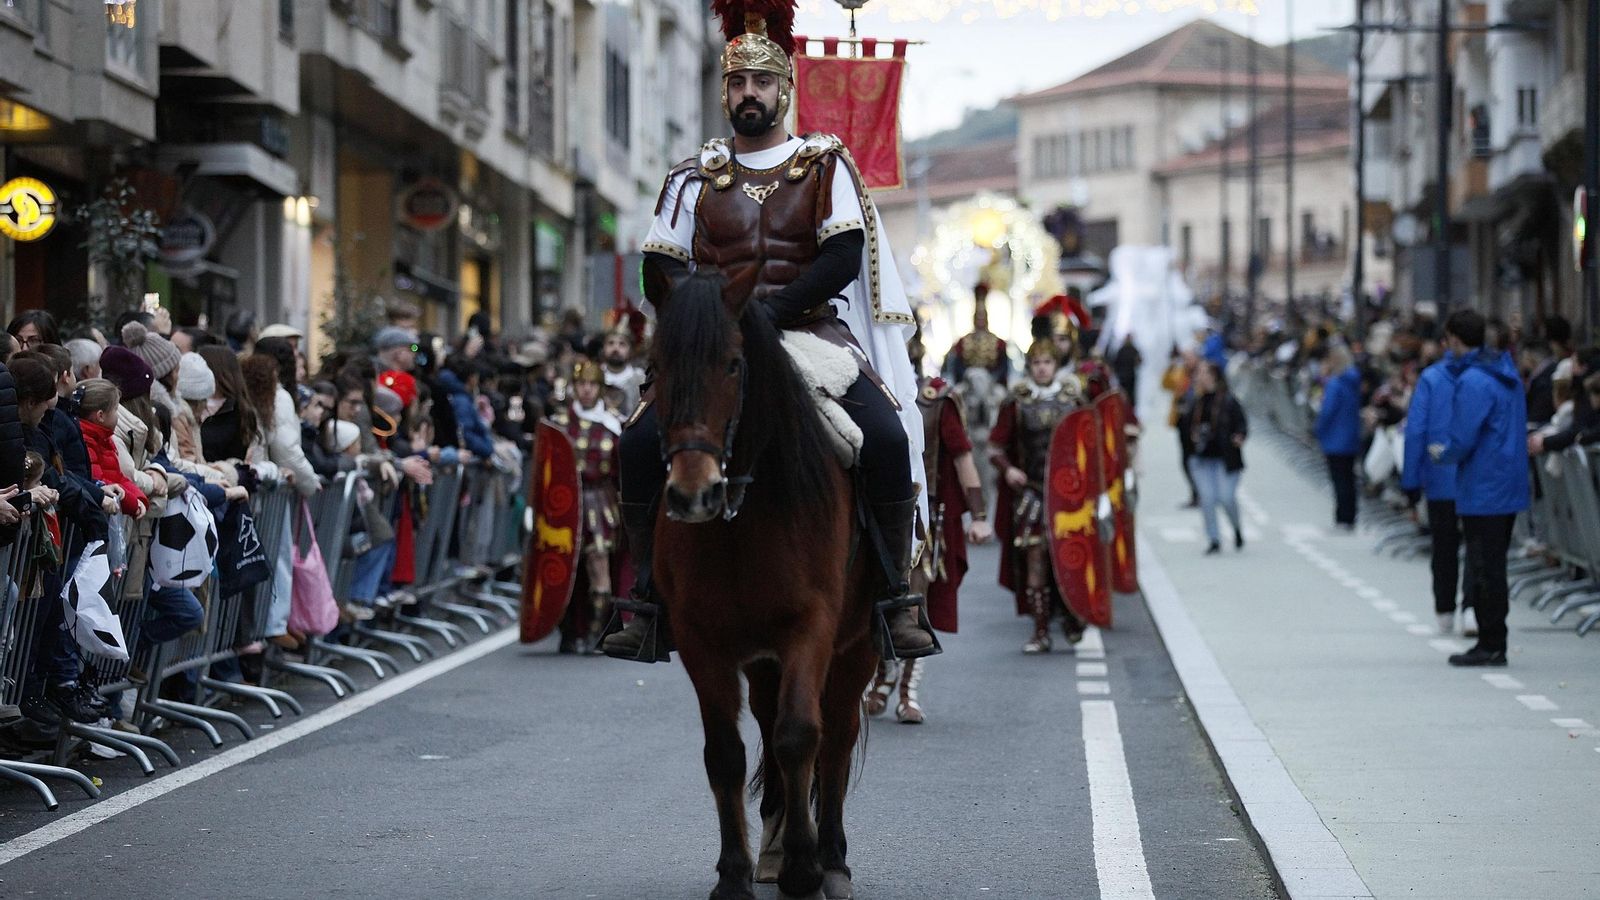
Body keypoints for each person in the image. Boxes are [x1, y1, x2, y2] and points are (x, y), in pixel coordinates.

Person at [604, 4, 932, 662]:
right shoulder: (691, 176)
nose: (747, 93)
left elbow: (842, 256)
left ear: (784, 90)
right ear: (724, 92)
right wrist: (712, 319)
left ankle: (897, 593)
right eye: (736, 83)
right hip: (714, 342)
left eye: (760, 82)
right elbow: (660, 265)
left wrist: (766, 316)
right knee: (639, 442)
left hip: (810, 336)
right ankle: (645, 597)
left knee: (889, 437)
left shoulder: (824, 166)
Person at [867, 335, 992, 721]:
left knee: (915, 599)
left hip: (925, 516)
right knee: (873, 595)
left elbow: (962, 458)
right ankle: (882, 679)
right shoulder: (865, 387)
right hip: (874, 511)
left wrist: (980, 515)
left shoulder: (937, 399)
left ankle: (908, 691)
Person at [1429, 310, 1529, 667]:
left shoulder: (1473, 380)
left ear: (1454, 339)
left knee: (1485, 566)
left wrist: (1444, 453)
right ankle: (1494, 638)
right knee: (1493, 562)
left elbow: (1464, 434)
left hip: (1484, 485)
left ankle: (1491, 642)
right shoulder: (1504, 371)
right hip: (1508, 480)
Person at [988, 340, 1087, 653]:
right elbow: (995, 447)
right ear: (1029, 367)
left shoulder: (1074, 400)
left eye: (1047, 362)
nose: (1042, 368)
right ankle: (1041, 630)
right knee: (1035, 561)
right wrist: (1007, 470)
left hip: (1068, 496)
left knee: (1070, 558)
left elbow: (1091, 447)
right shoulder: (1017, 402)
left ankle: (1072, 614)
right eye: (1036, 363)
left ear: (1056, 365)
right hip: (1030, 493)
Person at [550, 360, 624, 653]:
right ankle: (570, 631)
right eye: (581, 384)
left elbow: (621, 471)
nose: (586, 390)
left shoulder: (613, 424)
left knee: (599, 565)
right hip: (565, 502)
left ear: (600, 388)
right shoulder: (559, 424)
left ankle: (597, 631)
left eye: (592, 384)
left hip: (600, 500)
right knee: (562, 569)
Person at [1401, 342, 1471, 635]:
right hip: (1476, 476)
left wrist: (1411, 480)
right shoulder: (1492, 376)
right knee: (1478, 545)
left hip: (1439, 475)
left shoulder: (1431, 378)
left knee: (1444, 546)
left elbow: (1416, 429)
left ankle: (1444, 608)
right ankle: (1472, 607)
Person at [1180, 360, 1248, 554]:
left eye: (1202, 372)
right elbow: (1182, 428)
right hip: (1201, 459)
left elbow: (1241, 424)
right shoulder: (1194, 400)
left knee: (1226, 497)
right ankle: (1214, 539)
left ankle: (1236, 528)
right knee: (1208, 499)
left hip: (1226, 459)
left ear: (1213, 376)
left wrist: (1239, 436)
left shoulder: (1228, 400)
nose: (1198, 376)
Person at [1314, 344, 1362, 530]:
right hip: (1350, 435)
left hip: (1335, 438)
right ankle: (1351, 514)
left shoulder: (1335, 383)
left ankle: (1342, 516)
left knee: (1339, 479)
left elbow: (1328, 411)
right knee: (1349, 477)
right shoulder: (1353, 381)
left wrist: (1318, 429)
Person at [599, 324, 646, 417]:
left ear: (630, 350)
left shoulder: (640, 380)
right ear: (604, 348)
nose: (616, 348)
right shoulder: (595, 374)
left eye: (622, 344)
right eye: (611, 343)